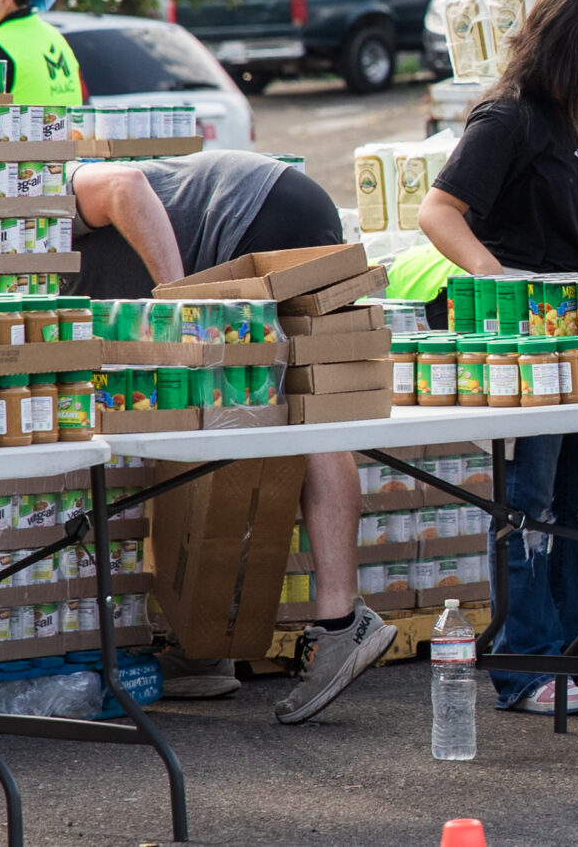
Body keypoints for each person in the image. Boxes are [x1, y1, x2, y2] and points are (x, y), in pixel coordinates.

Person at [66, 149, 392, 722]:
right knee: (270, 420)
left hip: (260, 215)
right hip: (279, 206)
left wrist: (180, 301)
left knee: (302, 420)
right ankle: (206, 644)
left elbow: (127, 184)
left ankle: (341, 623)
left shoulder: (43, 194)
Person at [417, 0, 578, 716]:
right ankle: (525, 661)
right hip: (526, 347)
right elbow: (438, 211)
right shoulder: (507, 118)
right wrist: (499, 278)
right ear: (567, 45)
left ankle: (577, 648)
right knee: (529, 497)